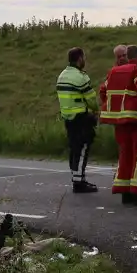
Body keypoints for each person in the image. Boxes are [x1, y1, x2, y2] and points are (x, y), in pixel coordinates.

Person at [98, 45, 137, 205]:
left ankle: (124, 192)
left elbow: (103, 90)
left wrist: (114, 107)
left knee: (125, 156)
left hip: (119, 123)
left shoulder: (113, 72)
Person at [57, 47, 100, 193]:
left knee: (74, 148)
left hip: (68, 117)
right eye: (84, 57)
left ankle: (77, 177)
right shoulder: (80, 77)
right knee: (82, 148)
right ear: (80, 59)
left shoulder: (62, 75)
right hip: (81, 117)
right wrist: (96, 110)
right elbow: (91, 99)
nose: (85, 60)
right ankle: (78, 182)